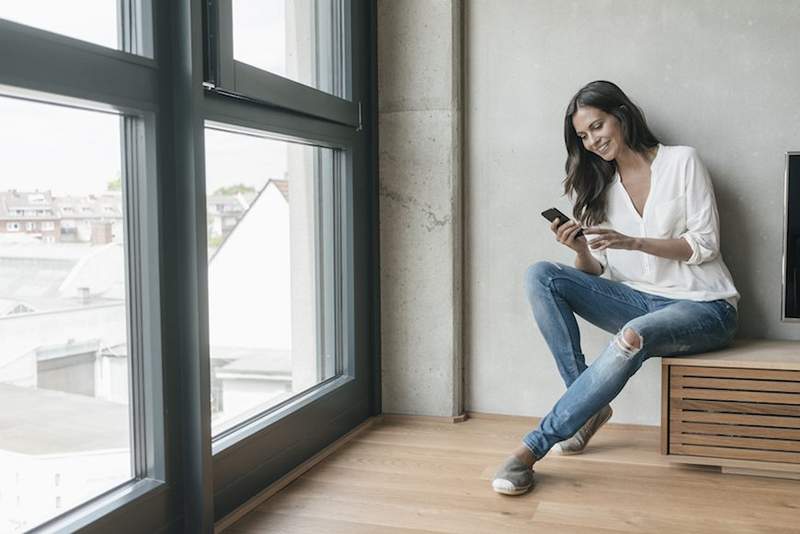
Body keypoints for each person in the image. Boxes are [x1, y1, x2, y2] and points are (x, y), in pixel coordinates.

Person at [491, 80, 740, 496]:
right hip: (639, 300)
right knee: (541, 274)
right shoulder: (600, 188)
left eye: (598, 126)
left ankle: (530, 449)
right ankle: (588, 406)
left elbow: (705, 245)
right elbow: (596, 272)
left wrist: (634, 241)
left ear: (621, 115)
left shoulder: (682, 162)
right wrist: (579, 249)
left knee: (633, 335)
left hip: (704, 307)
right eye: (583, 136)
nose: (592, 141)